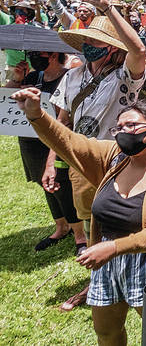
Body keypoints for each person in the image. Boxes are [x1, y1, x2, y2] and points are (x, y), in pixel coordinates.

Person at [13, 90, 146, 346]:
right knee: (106, 332)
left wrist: (114, 248)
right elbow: (70, 142)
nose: (123, 132)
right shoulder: (114, 157)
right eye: (119, 128)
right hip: (107, 261)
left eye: (132, 125)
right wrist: (36, 115)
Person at [49, 0, 146, 311]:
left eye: (96, 42)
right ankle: (98, 282)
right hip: (81, 162)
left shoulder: (125, 76)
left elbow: (139, 50)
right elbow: (61, 122)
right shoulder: (73, 76)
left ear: (111, 48)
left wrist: (107, 7)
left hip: (117, 159)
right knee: (91, 219)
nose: (88, 45)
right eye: (86, 41)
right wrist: (52, 161)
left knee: (119, 220)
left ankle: (125, 278)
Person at [17, 50, 87, 253]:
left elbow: (66, 114)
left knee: (61, 183)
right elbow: (7, 102)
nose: (33, 58)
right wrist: (17, 80)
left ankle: (79, 235)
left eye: (37, 54)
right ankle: (61, 226)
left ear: (54, 55)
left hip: (56, 138)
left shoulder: (69, 77)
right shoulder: (32, 77)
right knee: (44, 181)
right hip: (31, 140)